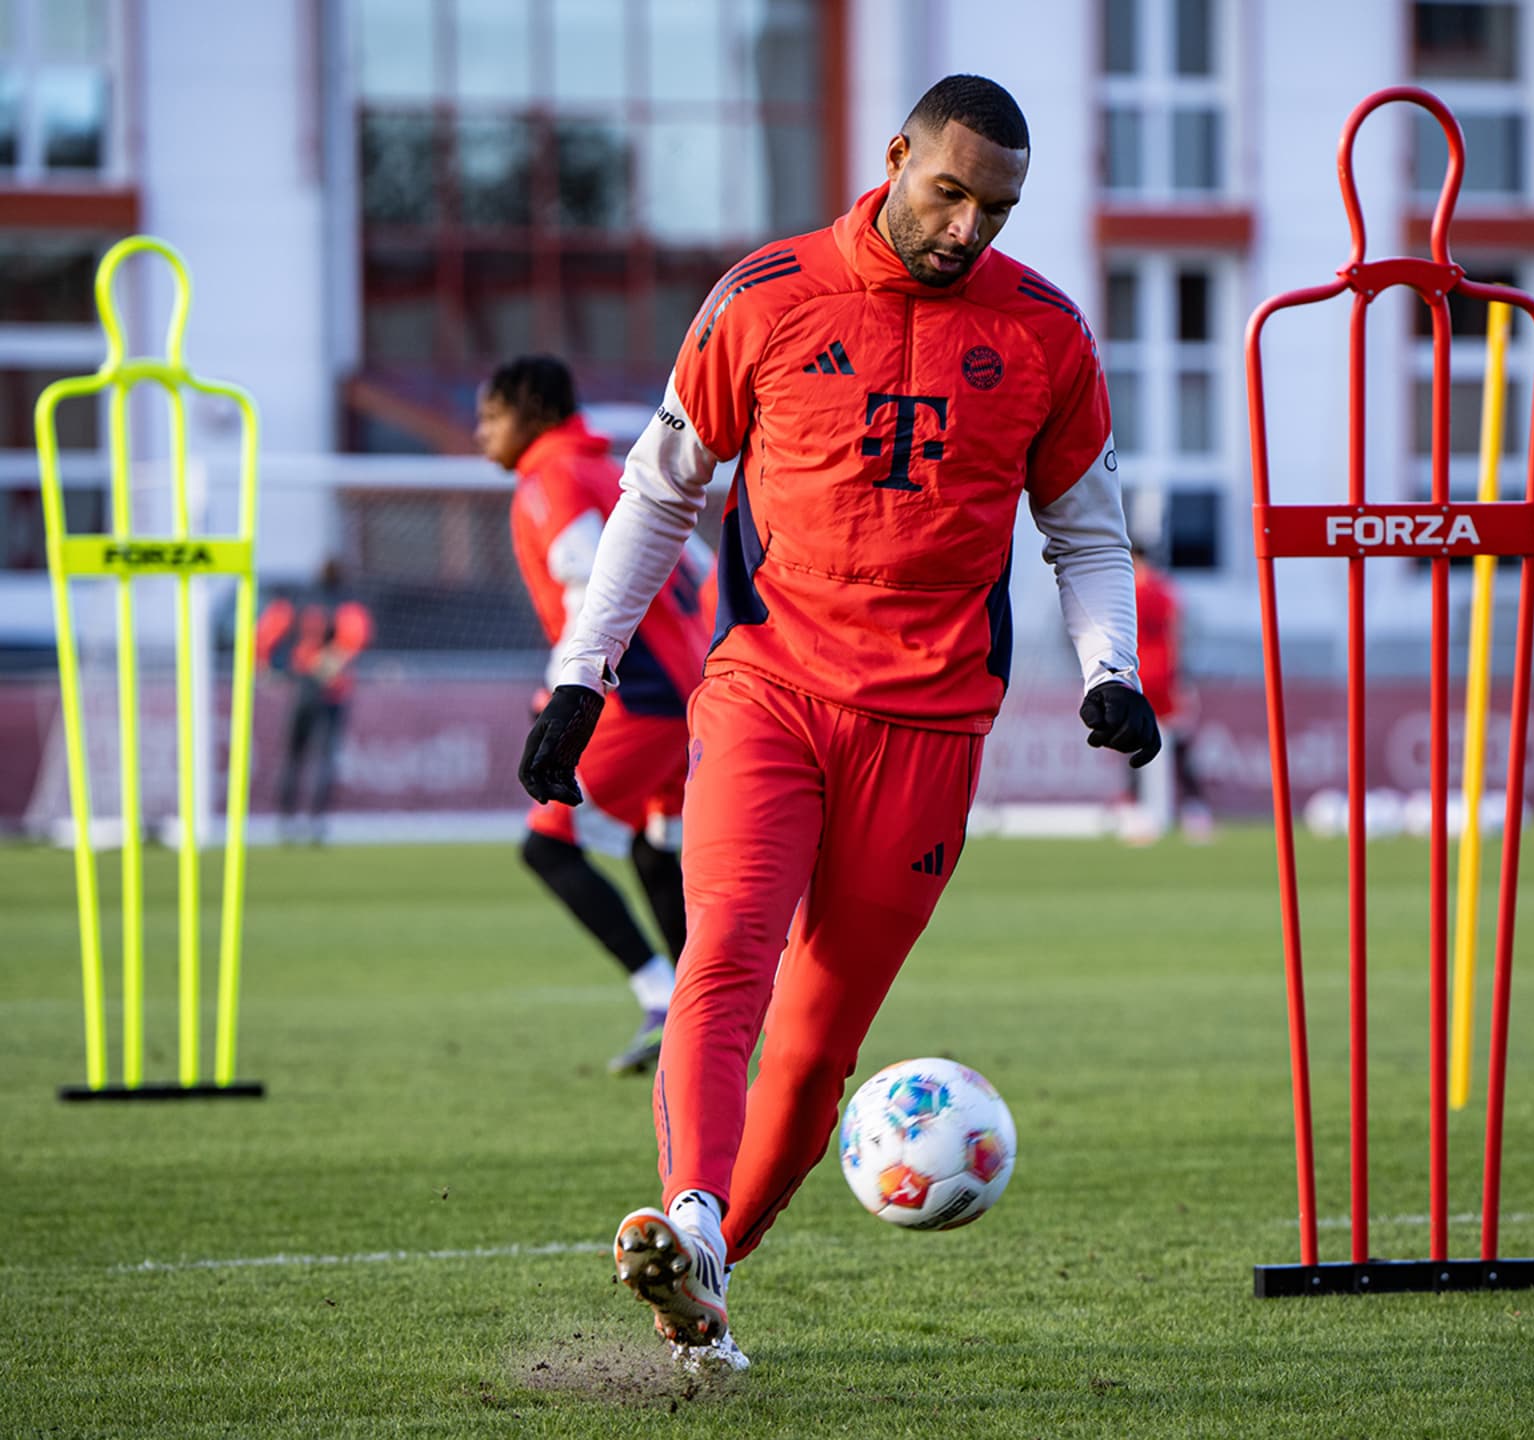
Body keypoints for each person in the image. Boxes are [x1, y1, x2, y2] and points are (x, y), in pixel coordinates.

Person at [518, 75, 1159, 1366]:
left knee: (816, 1054)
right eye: (950, 192)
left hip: (932, 730)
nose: (969, 227)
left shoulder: (1046, 331)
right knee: (724, 954)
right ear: (896, 155)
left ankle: (708, 1275)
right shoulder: (765, 296)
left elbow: (1087, 534)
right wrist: (582, 676)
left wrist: (1112, 669)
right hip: (769, 693)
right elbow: (659, 493)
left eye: (996, 209)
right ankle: (690, 1212)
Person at [477, 354, 710, 1077]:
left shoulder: (549, 477)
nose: (482, 433)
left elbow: (584, 582)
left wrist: (564, 691)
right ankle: (702, 1018)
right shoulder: (608, 471)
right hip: (688, 689)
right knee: (656, 849)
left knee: (547, 846)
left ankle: (665, 1000)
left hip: (633, 695)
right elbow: (700, 570)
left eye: (492, 417)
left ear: (535, 413)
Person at [256, 559, 373, 843]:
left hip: (303, 687)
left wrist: (264, 668)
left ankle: (287, 822)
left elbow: (263, 634)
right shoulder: (344, 604)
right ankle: (314, 822)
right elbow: (355, 637)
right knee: (322, 757)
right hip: (330, 691)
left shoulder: (298, 601)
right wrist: (329, 662)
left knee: (295, 756)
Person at [1123, 539, 1211, 843]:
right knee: (1178, 747)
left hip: (1137, 677)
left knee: (1134, 745)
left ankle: (1138, 814)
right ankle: (1195, 812)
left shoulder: (1127, 592)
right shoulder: (1166, 591)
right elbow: (1177, 635)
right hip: (1166, 675)